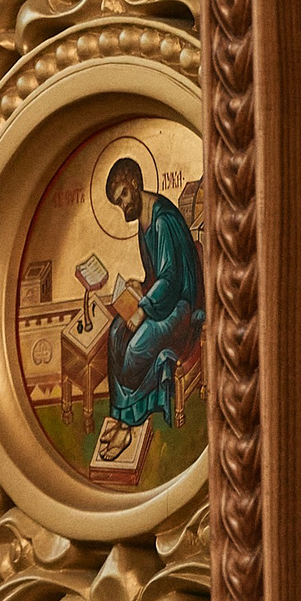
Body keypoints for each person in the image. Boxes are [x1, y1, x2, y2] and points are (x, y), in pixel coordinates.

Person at [102, 156, 204, 430]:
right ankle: (118, 415)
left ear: (135, 184)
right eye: (118, 201)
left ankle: (129, 421)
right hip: (161, 300)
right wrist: (141, 286)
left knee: (135, 349)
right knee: (115, 334)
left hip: (182, 306)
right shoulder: (143, 222)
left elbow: (171, 280)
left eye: (123, 194)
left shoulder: (162, 219)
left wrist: (142, 310)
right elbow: (156, 275)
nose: (123, 204)